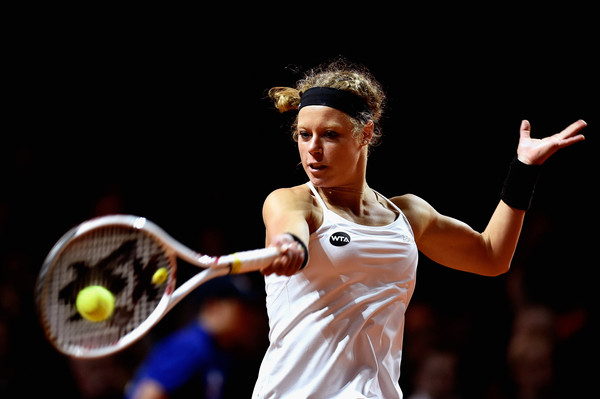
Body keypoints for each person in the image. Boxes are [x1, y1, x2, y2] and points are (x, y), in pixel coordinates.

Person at [251, 60, 586, 398]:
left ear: (365, 134)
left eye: (330, 135)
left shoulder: (408, 214)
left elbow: (492, 256)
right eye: (304, 135)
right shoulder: (292, 202)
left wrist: (524, 170)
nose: (313, 149)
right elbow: (287, 230)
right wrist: (290, 245)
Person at [125, 275, 267, 399]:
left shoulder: (221, 351)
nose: (250, 319)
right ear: (214, 307)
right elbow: (147, 395)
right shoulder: (190, 346)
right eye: (242, 310)